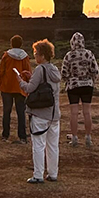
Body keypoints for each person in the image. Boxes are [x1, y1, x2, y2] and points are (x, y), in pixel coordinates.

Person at [20, 39, 62, 184]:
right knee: (53, 145)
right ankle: (53, 173)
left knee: (38, 144)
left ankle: (38, 174)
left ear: (43, 56)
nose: (35, 56)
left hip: (40, 113)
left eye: (36, 53)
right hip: (54, 114)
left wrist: (20, 80)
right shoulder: (54, 70)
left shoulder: (40, 69)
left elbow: (29, 89)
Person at [61, 31, 99, 148]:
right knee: (87, 112)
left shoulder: (68, 55)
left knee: (74, 112)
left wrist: (69, 80)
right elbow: (95, 70)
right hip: (87, 84)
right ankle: (88, 137)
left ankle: (74, 137)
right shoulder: (89, 54)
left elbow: (63, 72)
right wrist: (91, 79)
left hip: (73, 85)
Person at [0, 35, 31, 143]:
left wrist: (2, 83)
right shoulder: (25, 56)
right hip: (20, 87)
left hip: (7, 87)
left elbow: (1, 71)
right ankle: (22, 136)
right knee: (21, 112)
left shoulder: (6, 55)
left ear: (11, 44)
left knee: (6, 111)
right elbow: (28, 72)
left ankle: (5, 135)